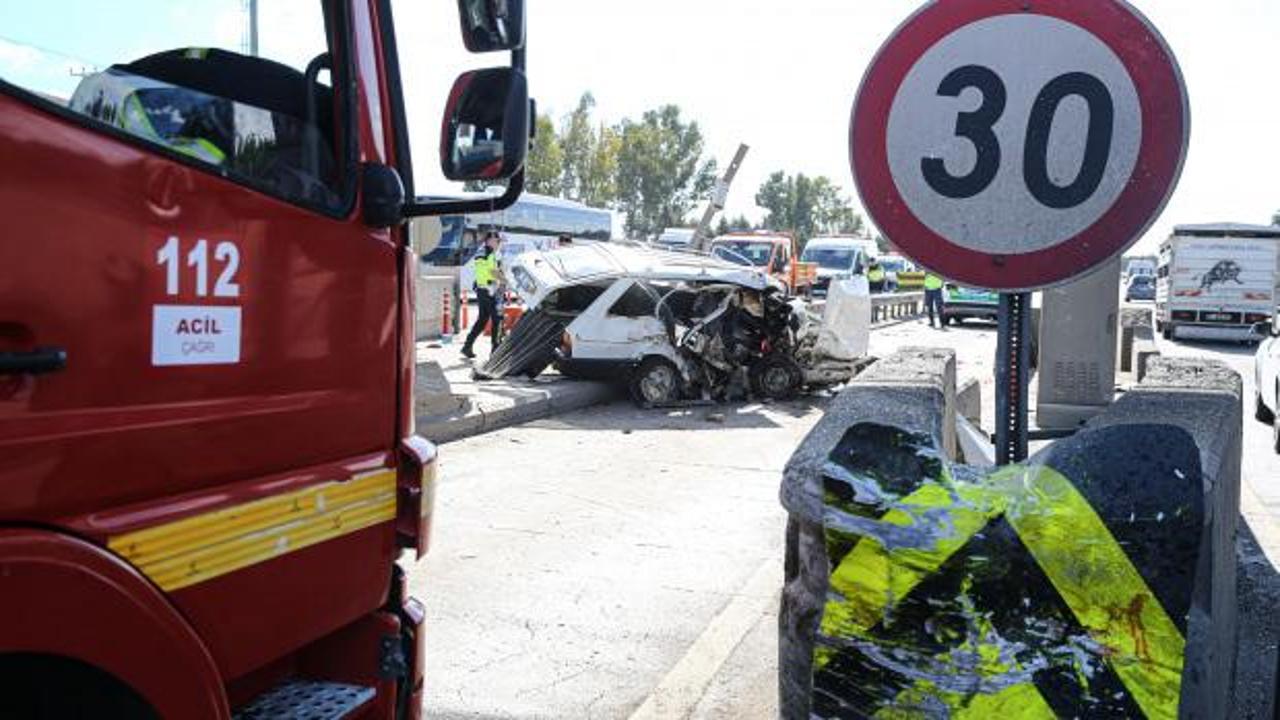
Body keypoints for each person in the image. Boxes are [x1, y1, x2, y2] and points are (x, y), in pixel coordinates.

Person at [461, 232, 501, 359]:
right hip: (487, 290)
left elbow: (487, 271)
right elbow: (490, 271)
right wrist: (504, 280)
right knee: (497, 319)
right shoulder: (487, 252)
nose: (498, 244)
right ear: (490, 240)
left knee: (483, 319)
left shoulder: (485, 252)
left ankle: (467, 346)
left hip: (483, 289)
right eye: (497, 241)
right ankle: (495, 350)